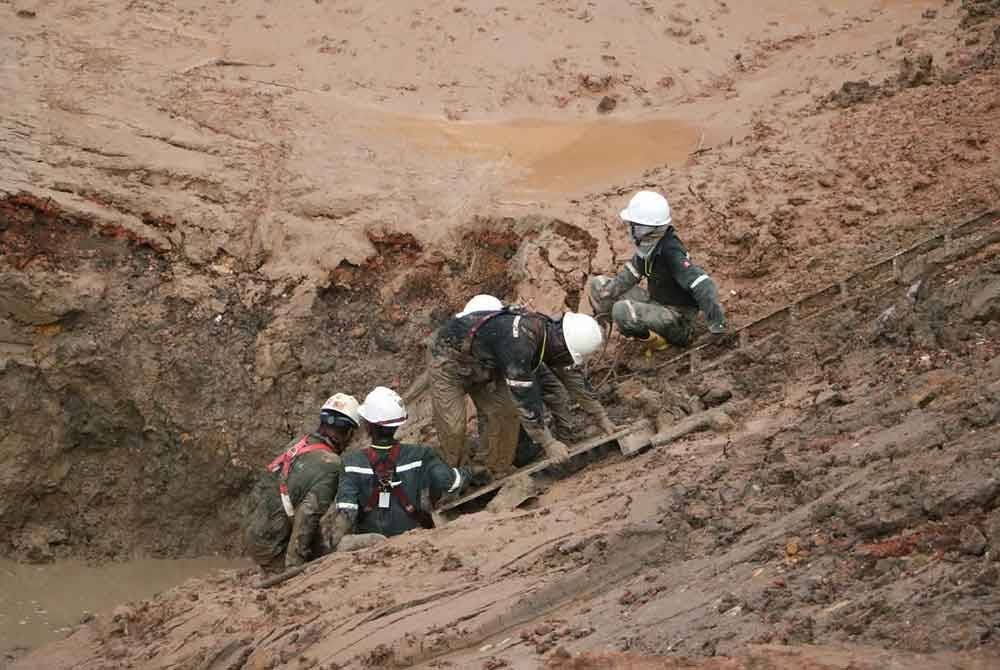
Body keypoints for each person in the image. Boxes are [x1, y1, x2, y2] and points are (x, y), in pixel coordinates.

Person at [429, 299, 613, 478]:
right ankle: (453, 480)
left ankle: (491, 471)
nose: (565, 361)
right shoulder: (520, 345)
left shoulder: (547, 332)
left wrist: (601, 416)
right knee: (453, 427)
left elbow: (570, 376)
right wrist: (548, 443)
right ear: (562, 346)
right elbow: (525, 400)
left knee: (505, 414)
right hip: (448, 360)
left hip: (486, 362)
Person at [322, 386, 485, 550]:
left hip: (372, 547)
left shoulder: (351, 463)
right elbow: (449, 483)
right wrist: (473, 472)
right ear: (398, 424)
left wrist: (333, 544)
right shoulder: (422, 455)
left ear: (367, 425)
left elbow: (347, 513)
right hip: (415, 542)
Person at [588, 190, 726, 354]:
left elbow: (704, 285)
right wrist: (608, 292)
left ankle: (660, 344)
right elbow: (631, 274)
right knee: (600, 285)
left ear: (650, 229)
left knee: (623, 310)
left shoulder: (671, 252)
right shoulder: (649, 247)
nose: (632, 230)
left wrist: (717, 327)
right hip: (657, 303)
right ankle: (600, 334)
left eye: (636, 226)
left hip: (677, 319)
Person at [244, 394, 360, 573]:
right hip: (274, 548)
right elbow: (307, 515)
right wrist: (294, 566)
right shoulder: (331, 464)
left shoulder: (298, 444)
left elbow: (262, 489)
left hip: (256, 536)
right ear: (350, 432)